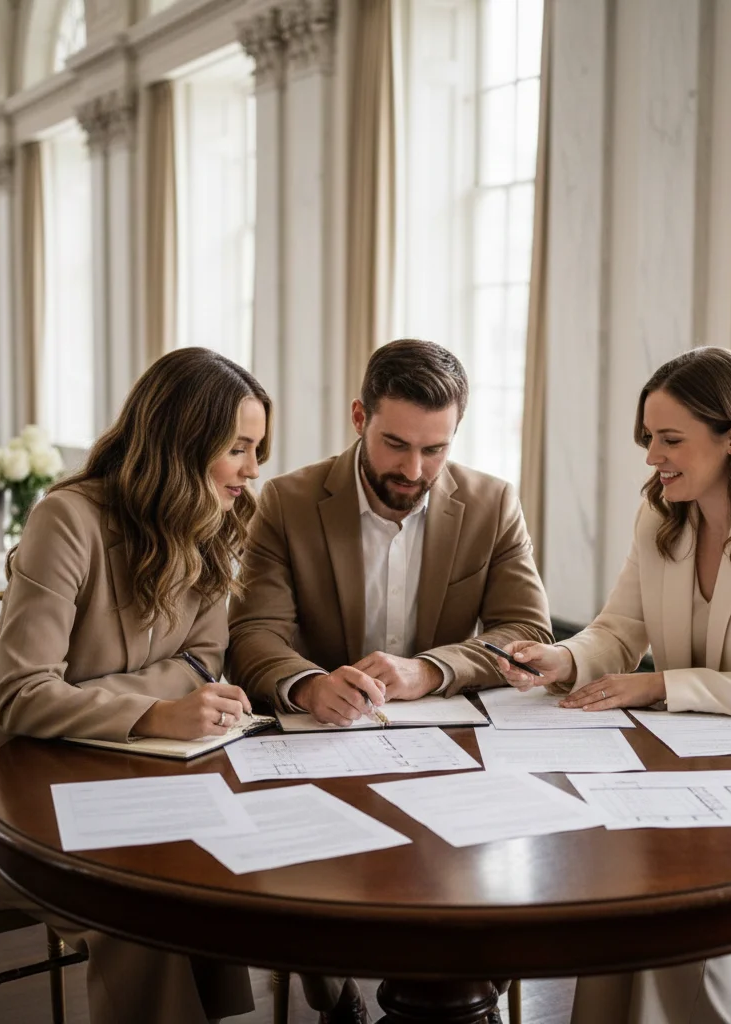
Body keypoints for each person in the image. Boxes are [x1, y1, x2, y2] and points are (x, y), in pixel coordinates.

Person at [494, 347, 731, 1024]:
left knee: (671, 876)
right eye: (649, 439)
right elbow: (618, 630)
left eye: (670, 440)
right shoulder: (662, 513)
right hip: (696, 761)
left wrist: (658, 685)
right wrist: (562, 658)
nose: (651, 457)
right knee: (631, 864)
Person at [0, 347, 272, 1024]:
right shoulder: (67, 520)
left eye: (257, 448)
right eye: (238, 448)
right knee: (135, 913)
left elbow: (206, 663)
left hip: (122, 788)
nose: (253, 470)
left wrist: (97, 693)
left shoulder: (213, 525)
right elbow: (23, 695)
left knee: (210, 881)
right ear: (184, 442)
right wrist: (154, 711)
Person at [228, 338, 552, 1022]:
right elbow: (253, 634)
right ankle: (342, 987)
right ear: (358, 417)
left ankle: (462, 996)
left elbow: (526, 633)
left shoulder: (493, 504)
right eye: (395, 444)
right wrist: (308, 683)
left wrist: (431, 670)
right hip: (320, 752)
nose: (413, 469)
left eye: (435, 449)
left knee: (471, 883)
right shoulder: (286, 502)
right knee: (321, 884)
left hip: (456, 763)